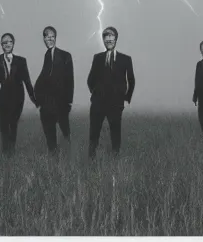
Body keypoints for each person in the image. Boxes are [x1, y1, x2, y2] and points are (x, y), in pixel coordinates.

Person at [0, 32, 35, 156]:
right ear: (1, 45)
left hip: (17, 101)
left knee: (13, 127)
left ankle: (11, 154)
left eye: (9, 41)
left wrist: (35, 100)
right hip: (1, 101)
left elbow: (27, 82)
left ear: (13, 43)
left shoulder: (21, 61)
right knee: (4, 129)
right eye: (4, 42)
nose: (7, 44)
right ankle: (6, 157)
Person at [86, 26, 135, 158]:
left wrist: (126, 99)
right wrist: (95, 94)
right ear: (103, 40)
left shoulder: (125, 59)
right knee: (94, 134)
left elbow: (131, 81)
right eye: (106, 37)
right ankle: (91, 159)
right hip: (98, 104)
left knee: (115, 133)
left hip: (115, 104)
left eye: (111, 37)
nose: (109, 40)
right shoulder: (97, 58)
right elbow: (90, 79)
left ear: (116, 39)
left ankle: (115, 159)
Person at [34, 26, 74, 154]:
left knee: (65, 130)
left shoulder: (65, 55)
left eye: (52, 36)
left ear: (55, 38)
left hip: (61, 101)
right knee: (49, 129)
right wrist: (38, 96)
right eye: (47, 37)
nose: (49, 39)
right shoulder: (46, 56)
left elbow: (70, 79)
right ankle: (53, 153)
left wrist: (68, 102)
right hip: (47, 101)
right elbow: (44, 76)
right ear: (44, 39)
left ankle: (69, 151)